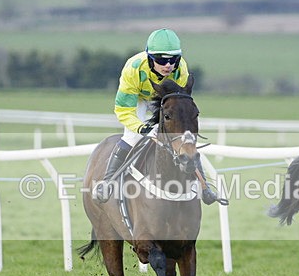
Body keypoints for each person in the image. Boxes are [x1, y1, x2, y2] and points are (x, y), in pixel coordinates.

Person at [91, 28, 219, 205]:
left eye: (173, 59)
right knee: (132, 135)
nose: (168, 65)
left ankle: (205, 187)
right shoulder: (133, 69)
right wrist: (142, 127)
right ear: (149, 57)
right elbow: (123, 110)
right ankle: (107, 182)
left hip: (165, 100)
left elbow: (179, 106)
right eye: (161, 60)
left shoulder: (181, 69)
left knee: (185, 140)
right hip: (138, 99)